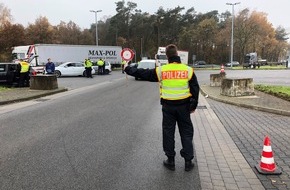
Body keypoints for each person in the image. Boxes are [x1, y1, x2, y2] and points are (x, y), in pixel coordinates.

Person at [124, 44, 199, 171]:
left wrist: (128, 69)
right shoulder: (188, 70)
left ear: (167, 56)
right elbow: (195, 90)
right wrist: (193, 106)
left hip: (168, 107)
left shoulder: (161, 70)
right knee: (186, 132)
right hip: (184, 107)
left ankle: (170, 161)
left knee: (168, 133)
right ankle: (188, 161)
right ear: (177, 54)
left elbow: (143, 73)